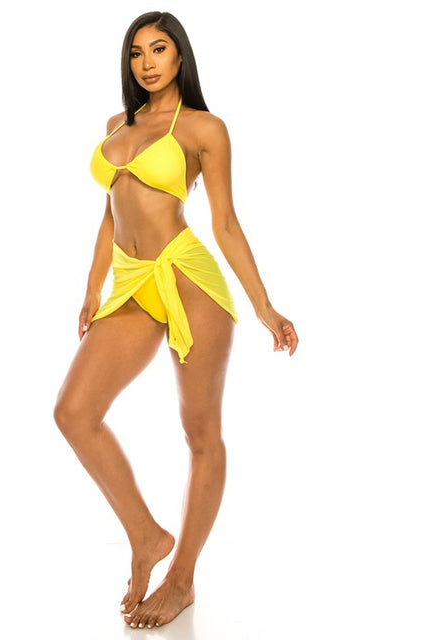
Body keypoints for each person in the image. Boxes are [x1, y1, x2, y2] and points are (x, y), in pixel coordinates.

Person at [53, 10, 299, 630]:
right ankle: (146, 536)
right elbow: (111, 214)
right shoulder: (117, 126)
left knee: (200, 432)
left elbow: (225, 223)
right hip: (132, 283)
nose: (147, 62)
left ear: (180, 56)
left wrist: (265, 307)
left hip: (188, 278)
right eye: (137, 52)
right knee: (74, 413)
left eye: (159, 49)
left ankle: (182, 579)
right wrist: (91, 289)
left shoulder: (203, 128)